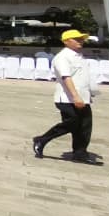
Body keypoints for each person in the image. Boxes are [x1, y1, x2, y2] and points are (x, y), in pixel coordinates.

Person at [32, 29, 99, 164]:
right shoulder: (62, 57)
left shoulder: (80, 57)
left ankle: (80, 152)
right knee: (72, 123)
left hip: (83, 96)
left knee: (85, 125)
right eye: (76, 39)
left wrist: (90, 93)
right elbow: (66, 77)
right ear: (66, 41)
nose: (80, 41)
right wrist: (75, 97)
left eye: (81, 39)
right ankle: (42, 139)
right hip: (68, 97)